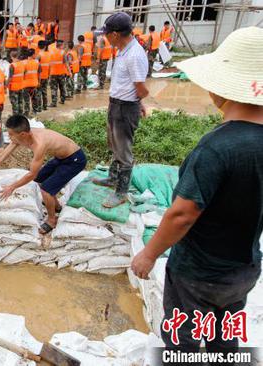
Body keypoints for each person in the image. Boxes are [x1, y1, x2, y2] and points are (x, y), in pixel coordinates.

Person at [131, 26, 263, 359]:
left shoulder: (218, 148)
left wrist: (148, 254)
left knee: (182, 342)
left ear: (225, 87)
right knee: (223, 334)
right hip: (244, 269)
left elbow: (182, 214)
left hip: (198, 273)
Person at [0, 115, 87, 234]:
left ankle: (51, 220)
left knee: (46, 190)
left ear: (22, 134)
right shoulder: (21, 137)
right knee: (40, 179)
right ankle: (57, 207)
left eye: (11, 134)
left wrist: (12, 187)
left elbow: (32, 174)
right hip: (60, 158)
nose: (9, 137)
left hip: (75, 160)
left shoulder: (39, 144)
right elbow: (2, 156)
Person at [92, 12, 148, 208]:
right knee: (113, 144)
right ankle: (113, 177)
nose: (105, 37)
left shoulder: (134, 55)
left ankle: (121, 192)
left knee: (123, 151)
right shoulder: (123, 50)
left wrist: (138, 101)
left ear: (115, 34)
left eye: (106, 34)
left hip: (125, 108)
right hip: (116, 104)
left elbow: (141, 88)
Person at [23, 48, 41, 116]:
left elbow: (22, 74)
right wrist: (39, 82)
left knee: (26, 100)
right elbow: (39, 74)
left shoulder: (23, 63)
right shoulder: (37, 63)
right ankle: (34, 111)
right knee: (34, 98)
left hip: (25, 85)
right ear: (33, 54)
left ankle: (26, 112)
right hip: (34, 84)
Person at [49, 40, 67, 107]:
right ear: (60, 45)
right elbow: (66, 63)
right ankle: (62, 100)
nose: (64, 46)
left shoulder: (51, 52)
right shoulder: (63, 52)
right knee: (62, 87)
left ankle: (54, 103)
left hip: (53, 73)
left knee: (54, 88)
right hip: (61, 73)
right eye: (63, 45)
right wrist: (69, 72)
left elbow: (49, 63)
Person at [7, 50, 25, 115]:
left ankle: (15, 116)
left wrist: (6, 85)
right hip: (21, 86)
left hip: (14, 87)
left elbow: (10, 78)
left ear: (12, 56)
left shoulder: (12, 65)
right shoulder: (22, 64)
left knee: (14, 103)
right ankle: (20, 115)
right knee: (20, 101)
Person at [37, 40, 51, 110]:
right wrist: (49, 75)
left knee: (38, 92)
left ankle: (39, 107)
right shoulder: (48, 54)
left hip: (39, 77)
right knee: (44, 91)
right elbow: (50, 66)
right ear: (45, 46)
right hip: (46, 76)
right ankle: (45, 106)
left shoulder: (38, 55)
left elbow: (36, 67)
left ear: (38, 46)